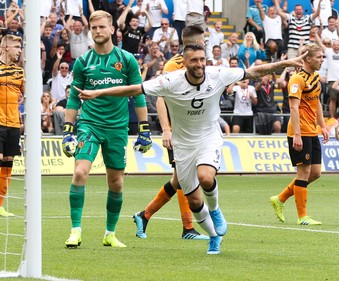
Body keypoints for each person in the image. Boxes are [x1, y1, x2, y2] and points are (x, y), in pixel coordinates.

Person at [75, 44, 306, 254]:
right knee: (194, 202)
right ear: (184, 63)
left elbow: (255, 72)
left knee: (205, 177)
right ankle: (214, 237)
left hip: (208, 138)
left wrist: (284, 63)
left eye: (202, 59)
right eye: (194, 60)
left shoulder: (217, 74)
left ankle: (215, 211)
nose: (199, 64)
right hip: (182, 145)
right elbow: (134, 89)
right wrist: (97, 93)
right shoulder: (170, 81)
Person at [62, 10, 152, 249]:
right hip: (89, 125)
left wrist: (144, 129)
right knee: (80, 172)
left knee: (116, 183)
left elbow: (138, 96)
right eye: (94, 28)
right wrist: (68, 129)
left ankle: (109, 234)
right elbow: (73, 98)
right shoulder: (83, 62)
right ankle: (75, 231)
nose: (98, 32)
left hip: (117, 128)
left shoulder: (128, 60)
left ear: (113, 30)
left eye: (102, 27)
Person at [133, 26, 209, 241]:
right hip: (179, 132)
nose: (204, 43)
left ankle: (144, 215)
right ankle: (187, 228)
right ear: (190, 42)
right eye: (201, 40)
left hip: (194, 131)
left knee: (179, 180)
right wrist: (166, 129)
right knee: (185, 179)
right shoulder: (174, 64)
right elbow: (161, 97)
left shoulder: (201, 62)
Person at [270, 43, 329, 226]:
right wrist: (296, 134)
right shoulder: (296, 79)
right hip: (300, 131)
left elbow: (317, 102)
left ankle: (280, 199)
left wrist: (323, 125)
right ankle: (302, 216)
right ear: (308, 58)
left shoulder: (315, 77)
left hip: (312, 130)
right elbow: (293, 108)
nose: (322, 60)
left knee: (315, 173)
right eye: (319, 57)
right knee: (303, 172)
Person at [0, 35, 23, 217]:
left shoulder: (20, 72)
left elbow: (26, 94)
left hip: (14, 124)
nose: (19, 50)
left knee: (8, 164)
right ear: (6, 47)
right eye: (16, 46)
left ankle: (0, 205)